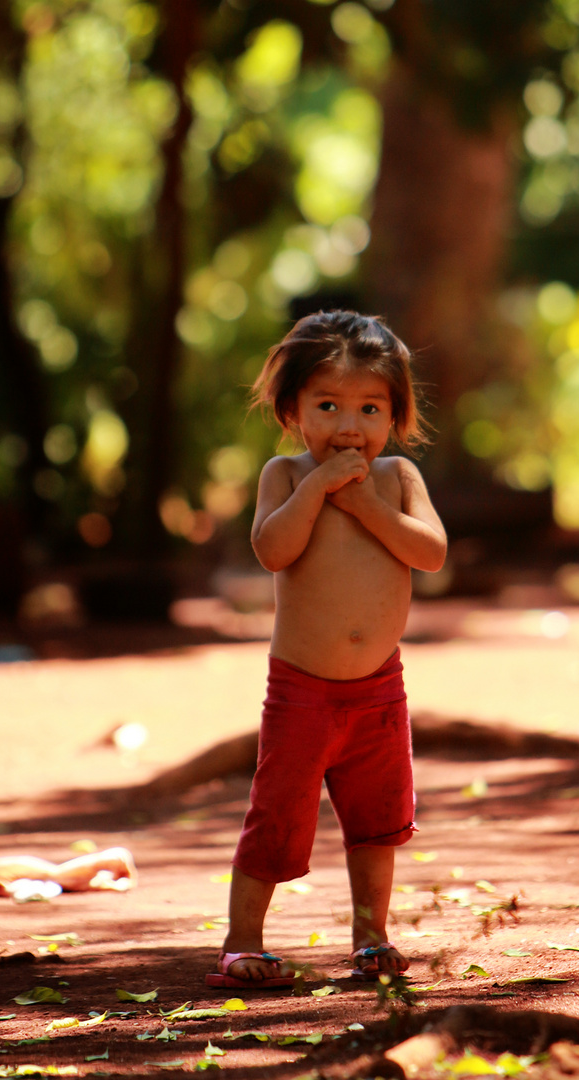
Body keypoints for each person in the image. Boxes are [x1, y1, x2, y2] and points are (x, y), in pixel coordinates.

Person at [205, 310, 447, 990]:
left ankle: (371, 937)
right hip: (303, 690)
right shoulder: (283, 477)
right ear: (294, 413)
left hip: (378, 690)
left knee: (376, 822)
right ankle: (242, 940)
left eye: (371, 408)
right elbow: (272, 550)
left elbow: (431, 553)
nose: (349, 426)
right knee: (277, 813)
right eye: (328, 405)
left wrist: (369, 507)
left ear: (395, 415)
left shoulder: (397, 480)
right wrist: (316, 489)